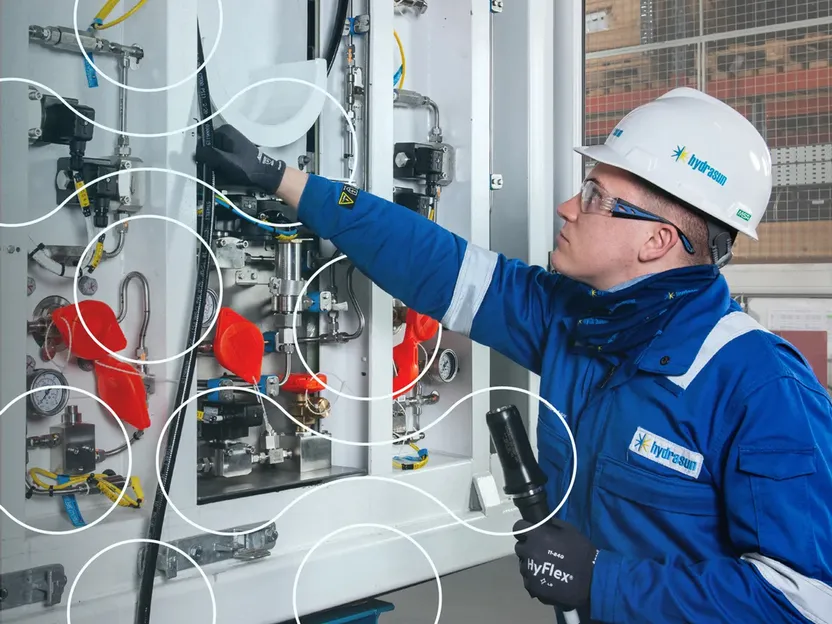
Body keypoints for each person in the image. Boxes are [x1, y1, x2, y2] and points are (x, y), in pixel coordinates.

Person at [195, 87, 832, 623]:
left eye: (593, 195)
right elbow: (436, 265)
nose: (566, 207)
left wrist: (601, 582)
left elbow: (806, 600)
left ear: (658, 240)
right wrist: (286, 180)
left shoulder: (759, 386)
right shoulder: (577, 319)